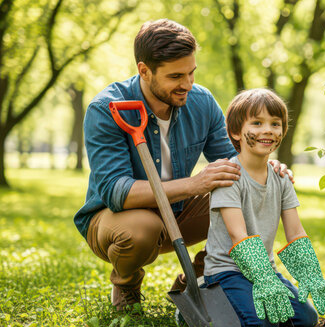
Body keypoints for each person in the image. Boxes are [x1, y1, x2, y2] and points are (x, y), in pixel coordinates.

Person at [73, 19, 292, 312]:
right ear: (144, 71)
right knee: (141, 230)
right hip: (117, 219)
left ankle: (205, 275)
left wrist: (269, 171)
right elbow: (116, 192)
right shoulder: (107, 108)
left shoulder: (200, 101)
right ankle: (126, 283)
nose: (187, 84)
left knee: (243, 190)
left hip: (179, 211)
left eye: (191, 73)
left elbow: (235, 163)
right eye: (176, 76)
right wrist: (194, 184)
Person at [198, 88, 325, 327]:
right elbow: (237, 235)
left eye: (275, 124)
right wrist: (262, 279)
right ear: (235, 132)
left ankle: (256, 297)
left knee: (305, 318)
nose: (268, 130)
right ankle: (205, 300)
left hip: (266, 271)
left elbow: (295, 231)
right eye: (257, 122)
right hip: (227, 271)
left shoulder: (280, 177)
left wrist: (310, 275)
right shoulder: (229, 176)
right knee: (261, 325)